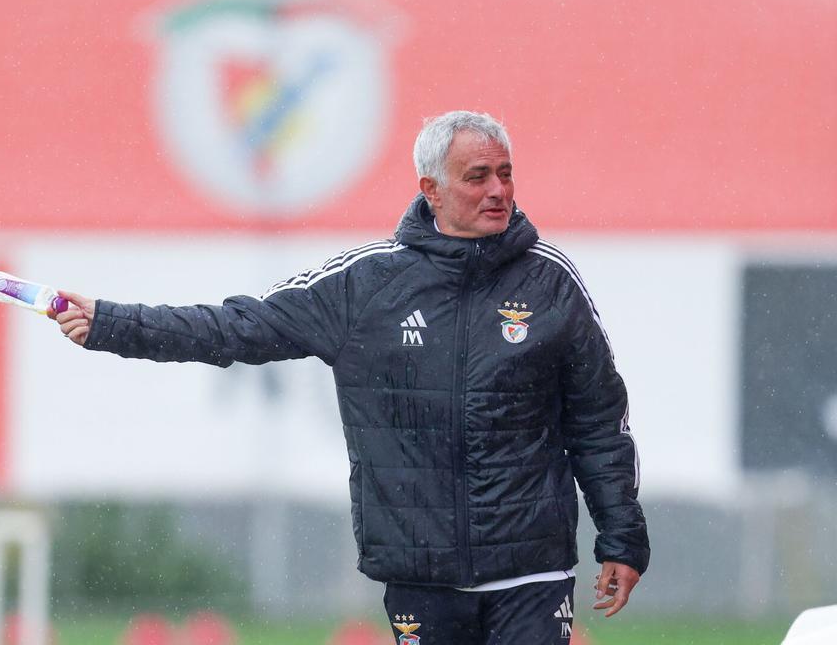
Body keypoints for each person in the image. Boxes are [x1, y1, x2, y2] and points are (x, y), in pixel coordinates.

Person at [54, 110, 649, 645]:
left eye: (505, 173)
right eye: (477, 176)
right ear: (431, 190)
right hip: (421, 571)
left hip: (532, 569)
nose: (498, 190)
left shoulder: (551, 284)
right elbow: (237, 326)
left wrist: (622, 537)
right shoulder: (367, 286)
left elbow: (600, 421)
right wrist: (112, 323)